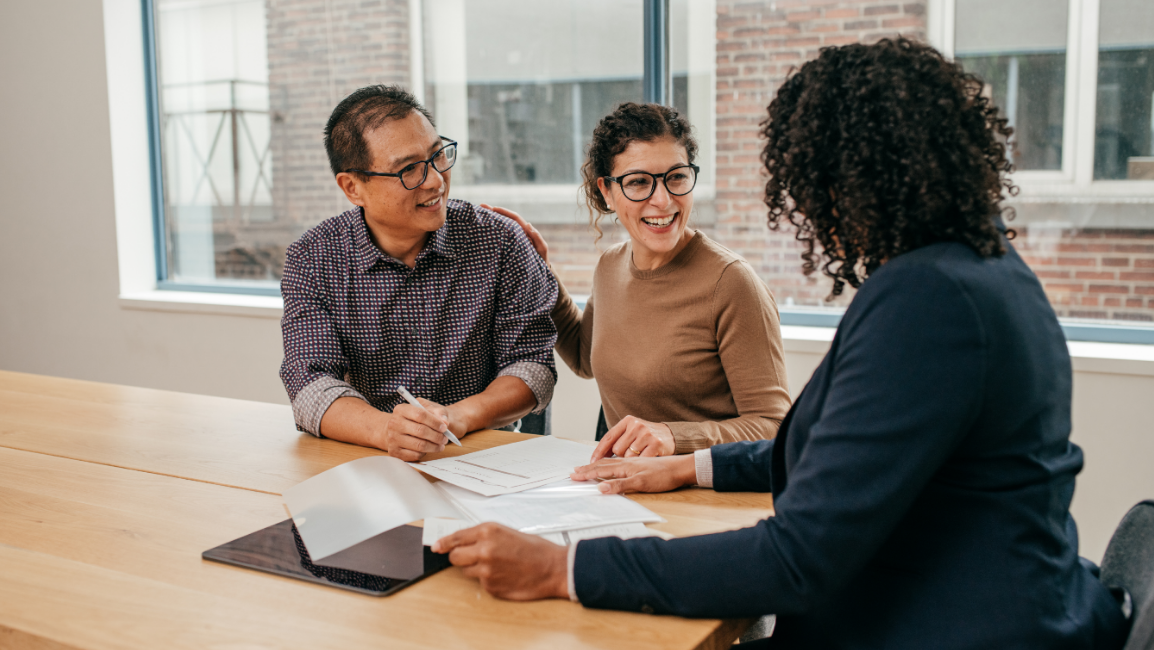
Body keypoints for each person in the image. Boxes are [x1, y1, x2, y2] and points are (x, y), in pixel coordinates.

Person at [435, 39, 1131, 648]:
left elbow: (800, 558)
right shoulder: (972, 270)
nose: (810, 212)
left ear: (851, 182)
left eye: (810, 186)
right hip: (980, 600)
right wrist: (692, 469)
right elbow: (842, 451)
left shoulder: (932, 301)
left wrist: (565, 569)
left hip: (948, 625)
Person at [490, 102, 791, 461]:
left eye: (676, 176)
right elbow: (586, 359)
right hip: (627, 484)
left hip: (704, 495)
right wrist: (541, 272)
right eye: (638, 182)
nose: (662, 200)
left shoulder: (732, 283)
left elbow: (773, 426)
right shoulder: (610, 265)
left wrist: (673, 436)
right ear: (607, 191)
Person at [279, 85, 558, 461]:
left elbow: (533, 366)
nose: (435, 180)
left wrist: (458, 416)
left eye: (437, 156)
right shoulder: (313, 258)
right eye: (408, 169)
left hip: (483, 453)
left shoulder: (500, 240)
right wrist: (386, 430)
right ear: (352, 187)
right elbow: (310, 382)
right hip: (369, 456)